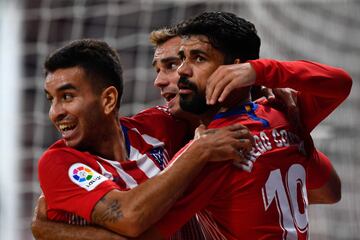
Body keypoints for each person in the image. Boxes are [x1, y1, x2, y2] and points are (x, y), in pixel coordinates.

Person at [141, 11, 351, 239]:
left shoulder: (212, 151)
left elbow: (147, 230)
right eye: (181, 59)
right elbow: (340, 84)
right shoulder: (283, 113)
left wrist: (259, 71)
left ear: (237, 68)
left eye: (198, 58)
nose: (182, 70)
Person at [32, 39, 254, 239]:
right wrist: (198, 150)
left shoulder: (159, 125)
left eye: (67, 97)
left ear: (108, 100)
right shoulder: (59, 162)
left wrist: (266, 91)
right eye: (52, 99)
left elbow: (213, 104)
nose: (55, 112)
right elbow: (130, 217)